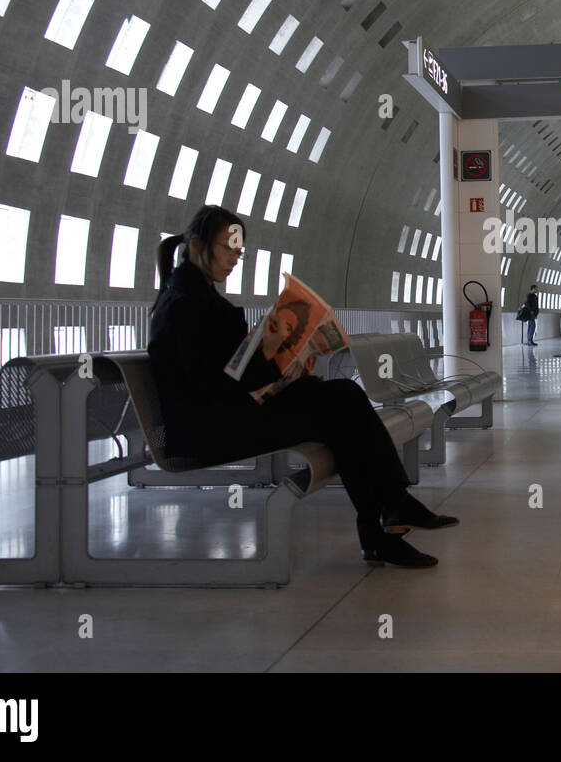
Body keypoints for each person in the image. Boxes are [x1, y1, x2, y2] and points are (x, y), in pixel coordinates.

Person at [147, 205, 458, 568]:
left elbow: (228, 374)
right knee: (342, 406)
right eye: (228, 249)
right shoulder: (185, 305)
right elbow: (213, 384)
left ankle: (388, 519)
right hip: (208, 430)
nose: (235, 259)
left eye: (239, 252)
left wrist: (286, 366)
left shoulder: (195, 298)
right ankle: (386, 519)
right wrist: (273, 369)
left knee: (343, 399)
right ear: (199, 244)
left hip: (226, 415)